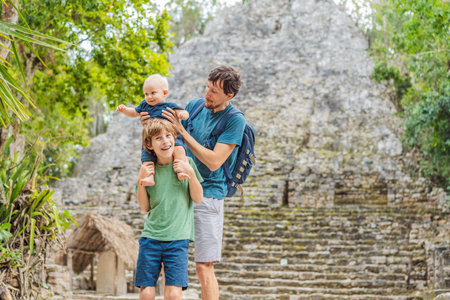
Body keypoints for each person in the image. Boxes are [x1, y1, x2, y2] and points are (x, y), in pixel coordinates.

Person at [141, 65, 246, 300]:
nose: (207, 94)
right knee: (169, 262)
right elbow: (167, 138)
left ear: (229, 95)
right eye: (208, 87)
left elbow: (214, 162)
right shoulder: (194, 107)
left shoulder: (234, 121)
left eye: (215, 92)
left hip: (208, 194)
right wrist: (149, 124)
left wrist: (183, 132)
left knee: (203, 266)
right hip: (177, 191)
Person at [133, 118, 203, 300]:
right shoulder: (148, 169)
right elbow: (144, 207)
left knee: (173, 293)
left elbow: (198, 197)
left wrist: (191, 173)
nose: (165, 141)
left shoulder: (185, 163)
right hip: (151, 238)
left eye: (169, 136)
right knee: (147, 291)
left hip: (178, 239)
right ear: (149, 145)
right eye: (158, 138)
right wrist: (141, 182)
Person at [116, 74, 190, 186]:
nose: (149, 97)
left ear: (164, 93)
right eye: (146, 94)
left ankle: (180, 170)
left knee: (179, 150)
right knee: (147, 158)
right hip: (151, 138)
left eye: (153, 93)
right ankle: (149, 177)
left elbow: (179, 112)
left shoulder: (169, 105)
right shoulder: (144, 106)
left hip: (171, 137)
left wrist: (183, 114)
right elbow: (134, 113)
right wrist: (125, 110)